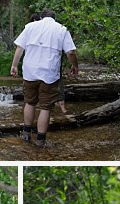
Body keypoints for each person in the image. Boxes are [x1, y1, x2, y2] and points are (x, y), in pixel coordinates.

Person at [10, 10, 79, 149]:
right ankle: (40, 140)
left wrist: (14, 65)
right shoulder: (61, 29)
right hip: (49, 73)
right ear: (54, 18)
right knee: (45, 107)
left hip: (30, 71)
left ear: (41, 17)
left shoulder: (30, 27)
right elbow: (70, 52)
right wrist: (75, 66)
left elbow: (19, 47)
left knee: (29, 102)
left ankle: (26, 133)